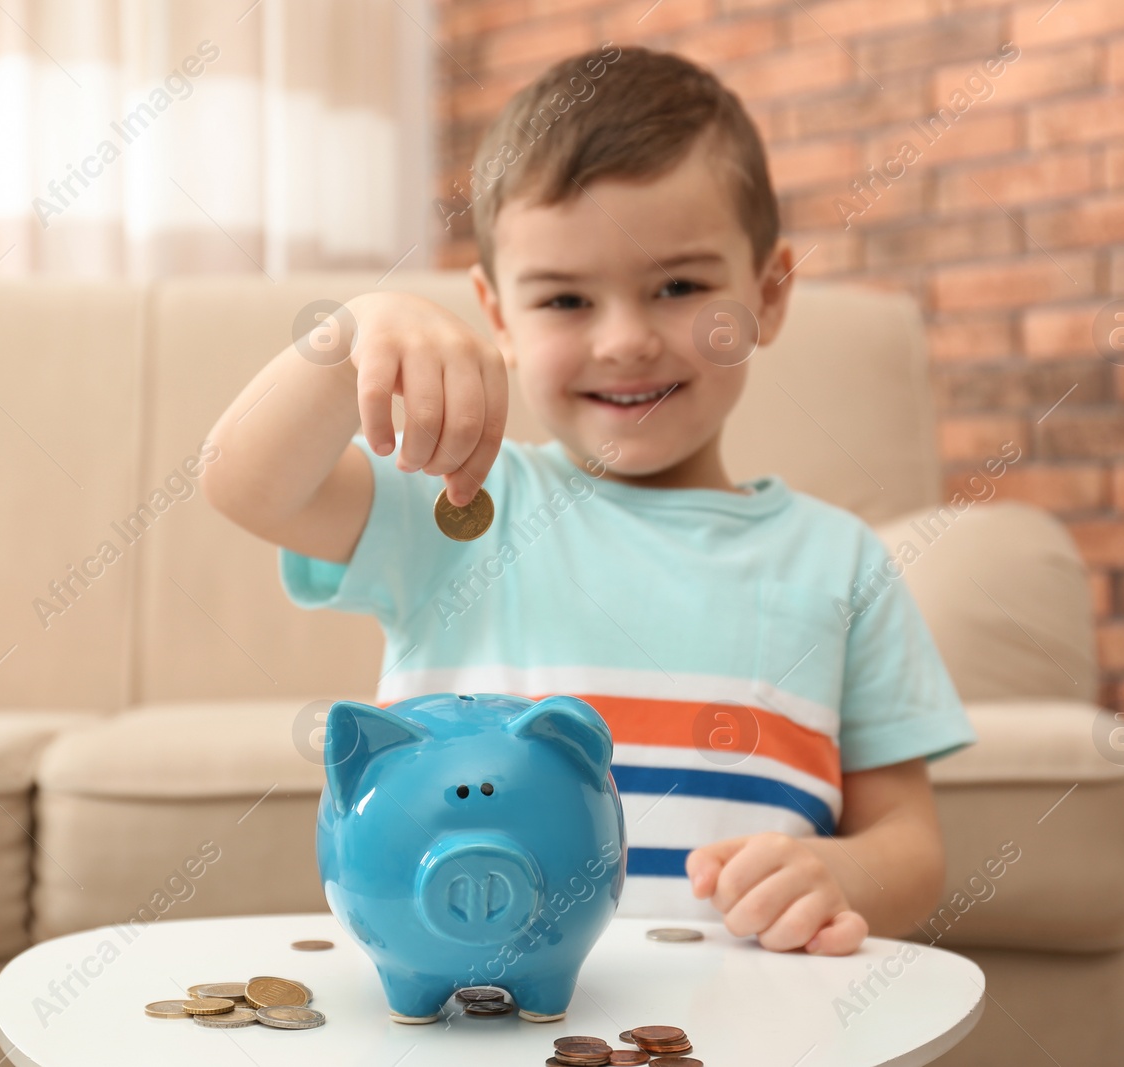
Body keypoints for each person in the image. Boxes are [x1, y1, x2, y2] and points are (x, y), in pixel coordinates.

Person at [203, 44, 974, 957]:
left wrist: (844, 876)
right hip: (480, 1020)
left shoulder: (843, 561)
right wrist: (354, 334)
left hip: (741, 1023)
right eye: (567, 299)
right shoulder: (460, 499)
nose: (624, 341)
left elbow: (913, 850)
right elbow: (243, 481)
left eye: (679, 287)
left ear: (768, 294)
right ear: (498, 316)